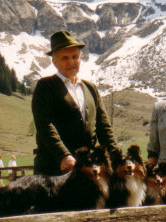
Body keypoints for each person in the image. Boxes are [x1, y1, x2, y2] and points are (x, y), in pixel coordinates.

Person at [32, 30, 119, 176]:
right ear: (54, 61)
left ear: (81, 57)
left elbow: (104, 128)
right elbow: (45, 125)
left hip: (87, 169)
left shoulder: (91, 88)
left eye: (75, 56)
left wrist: (116, 156)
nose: (71, 62)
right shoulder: (45, 86)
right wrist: (63, 155)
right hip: (53, 170)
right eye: (65, 58)